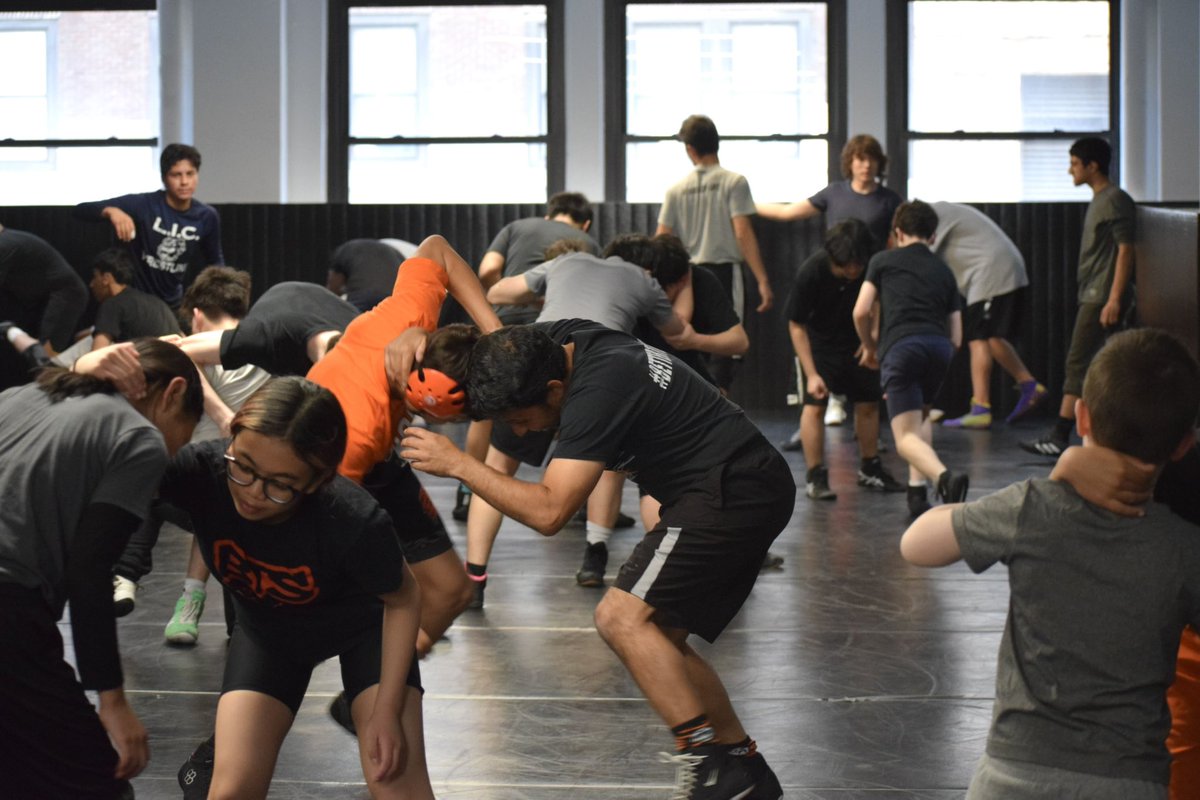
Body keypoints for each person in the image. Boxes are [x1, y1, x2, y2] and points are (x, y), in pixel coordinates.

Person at [400, 321, 795, 800]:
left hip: (730, 488)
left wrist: (460, 464)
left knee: (620, 618)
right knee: (659, 639)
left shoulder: (597, 391)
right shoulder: (565, 339)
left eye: (522, 420)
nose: (522, 432)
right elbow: (477, 309)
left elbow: (550, 512)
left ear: (554, 390)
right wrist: (419, 342)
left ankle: (708, 766)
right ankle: (744, 767)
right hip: (739, 479)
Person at [900, 328, 1200, 800]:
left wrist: (1057, 476)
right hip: (1129, 782)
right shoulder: (1184, 548)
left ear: (1081, 414)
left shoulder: (1031, 508)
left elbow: (916, 544)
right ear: (1185, 444)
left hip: (1014, 776)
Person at [158, 377, 432, 799]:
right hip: (268, 632)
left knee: (395, 785)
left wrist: (386, 710)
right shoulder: (202, 472)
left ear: (317, 481)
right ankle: (217, 757)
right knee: (230, 792)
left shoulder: (352, 519)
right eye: (244, 466)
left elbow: (405, 599)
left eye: (280, 484)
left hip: (363, 631)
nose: (253, 493)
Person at [0, 338, 203, 799]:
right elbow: (90, 571)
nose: (175, 452)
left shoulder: (19, 396)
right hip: (9, 612)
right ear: (173, 392)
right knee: (95, 783)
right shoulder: (139, 437)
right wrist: (112, 700)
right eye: (185, 434)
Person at [306, 234, 501, 658]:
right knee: (378, 601)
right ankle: (377, 678)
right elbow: (326, 534)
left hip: (374, 460)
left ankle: (393, 670)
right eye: (460, 416)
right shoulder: (358, 430)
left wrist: (496, 333)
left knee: (452, 591)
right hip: (326, 467)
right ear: (433, 398)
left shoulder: (412, 318)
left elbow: (437, 249)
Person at [476, 233, 687, 590]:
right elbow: (679, 332)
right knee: (608, 462)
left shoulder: (566, 261)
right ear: (650, 268)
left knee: (496, 468)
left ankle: (475, 574)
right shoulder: (643, 280)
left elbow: (496, 292)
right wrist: (683, 286)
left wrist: (546, 297)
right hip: (594, 371)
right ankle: (594, 553)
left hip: (533, 359)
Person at [106, 267, 272, 636]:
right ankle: (205, 609)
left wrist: (219, 412)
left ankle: (128, 575)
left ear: (196, 314)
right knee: (214, 509)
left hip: (216, 487)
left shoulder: (188, 352)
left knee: (153, 485)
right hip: (254, 491)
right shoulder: (267, 349)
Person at [758, 133, 904, 443]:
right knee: (827, 348)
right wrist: (744, 204)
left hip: (870, 285)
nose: (866, 165)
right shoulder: (834, 193)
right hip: (832, 285)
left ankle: (869, 437)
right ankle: (828, 405)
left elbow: (898, 241)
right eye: (860, 159)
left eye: (871, 159)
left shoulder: (890, 200)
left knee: (865, 357)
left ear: (879, 163)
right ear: (850, 162)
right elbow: (787, 213)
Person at [1021, 137, 1135, 457]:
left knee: (1079, 361)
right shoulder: (1102, 199)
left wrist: (1113, 298)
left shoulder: (1114, 200)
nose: (1069, 170)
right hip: (1093, 293)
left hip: (1101, 296)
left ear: (1092, 165)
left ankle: (1060, 434)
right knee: (1096, 363)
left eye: (1074, 163)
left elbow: (1126, 250)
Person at [853, 200, 967, 517]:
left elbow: (861, 311)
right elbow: (957, 337)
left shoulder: (882, 260)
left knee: (904, 437)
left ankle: (943, 477)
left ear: (898, 233)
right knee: (920, 418)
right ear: (933, 237)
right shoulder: (944, 270)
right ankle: (917, 492)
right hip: (939, 348)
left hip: (902, 347)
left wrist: (870, 347)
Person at [787, 219, 904, 500]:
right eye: (845, 266)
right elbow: (796, 325)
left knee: (868, 403)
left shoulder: (872, 265)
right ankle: (815, 476)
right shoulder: (812, 271)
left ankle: (870, 468)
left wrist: (871, 342)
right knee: (814, 406)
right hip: (819, 347)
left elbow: (876, 302)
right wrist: (811, 374)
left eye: (857, 265)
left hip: (857, 344)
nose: (852, 271)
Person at [657, 114, 774, 393]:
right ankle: (719, 413)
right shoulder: (734, 182)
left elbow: (661, 238)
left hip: (687, 278)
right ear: (716, 143)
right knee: (726, 348)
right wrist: (762, 280)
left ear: (690, 149)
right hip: (725, 274)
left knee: (692, 350)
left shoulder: (676, 190)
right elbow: (742, 232)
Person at [929, 202, 1047, 429]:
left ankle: (988, 405)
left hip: (992, 272)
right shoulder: (936, 213)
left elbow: (918, 257)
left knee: (983, 337)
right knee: (986, 337)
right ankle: (1020, 389)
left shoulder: (930, 216)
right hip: (992, 271)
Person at [74, 143, 224, 307]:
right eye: (176, 175)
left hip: (173, 303)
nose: (184, 182)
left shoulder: (206, 216)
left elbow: (215, 261)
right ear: (164, 178)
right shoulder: (144, 205)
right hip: (136, 301)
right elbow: (80, 210)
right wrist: (110, 211)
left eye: (190, 174)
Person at [0, 224, 89, 382]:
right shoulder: (10, 239)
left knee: (47, 358)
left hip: (65, 296)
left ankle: (56, 390)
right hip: (45, 301)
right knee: (40, 355)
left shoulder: (5, 243)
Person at [326, 238, 405, 313]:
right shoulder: (394, 252)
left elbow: (334, 285)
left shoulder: (344, 250)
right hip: (395, 299)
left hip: (362, 299)